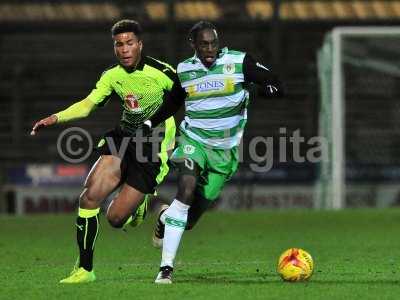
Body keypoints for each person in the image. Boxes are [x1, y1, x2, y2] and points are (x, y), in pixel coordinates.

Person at [30, 19, 186, 284]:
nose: (124, 49)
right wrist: (56, 117)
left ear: (140, 44)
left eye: (129, 43)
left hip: (153, 149)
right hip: (122, 139)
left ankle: (146, 206)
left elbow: (183, 97)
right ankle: (85, 270)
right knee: (89, 197)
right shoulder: (111, 76)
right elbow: (88, 104)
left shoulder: (163, 72)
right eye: (119, 44)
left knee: (115, 218)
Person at [145, 21, 284, 284]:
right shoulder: (184, 70)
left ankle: (165, 216)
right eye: (204, 44)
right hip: (193, 140)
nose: (209, 49)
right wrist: (150, 122)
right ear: (193, 45)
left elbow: (273, 81)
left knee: (186, 220)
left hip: (224, 152)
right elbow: (173, 102)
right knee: (185, 190)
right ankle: (166, 269)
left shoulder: (239, 63)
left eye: (213, 44)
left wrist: (270, 90)